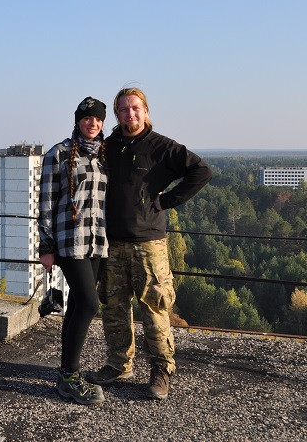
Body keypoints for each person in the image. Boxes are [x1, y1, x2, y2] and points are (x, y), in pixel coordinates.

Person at [88, 86, 212, 400]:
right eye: (124, 109)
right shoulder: (109, 145)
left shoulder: (160, 146)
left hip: (149, 245)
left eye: (135, 108)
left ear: (145, 110)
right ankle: (119, 364)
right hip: (112, 242)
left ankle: (161, 371)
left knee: (155, 310)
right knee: (114, 308)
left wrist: (168, 200)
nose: (130, 114)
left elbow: (201, 171)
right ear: (117, 114)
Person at [38, 96, 109, 406]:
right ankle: (70, 375)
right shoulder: (59, 154)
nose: (92, 123)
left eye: (97, 119)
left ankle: (63, 375)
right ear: (78, 120)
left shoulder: (107, 156)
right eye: (86, 118)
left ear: (103, 122)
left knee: (78, 304)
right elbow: (46, 203)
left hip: (98, 242)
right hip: (70, 242)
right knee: (90, 305)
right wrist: (46, 246)